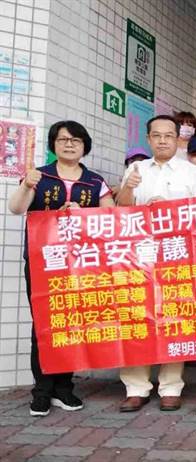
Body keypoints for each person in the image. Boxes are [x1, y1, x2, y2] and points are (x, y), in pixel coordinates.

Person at [8, 120, 114, 416]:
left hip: (81, 263)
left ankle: (64, 388)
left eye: (75, 140)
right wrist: (27, 185)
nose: (69, 144)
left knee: (72, 322)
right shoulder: (39, 176)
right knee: (43, 324)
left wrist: (84, 214)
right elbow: (17, 208)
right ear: (53, 145)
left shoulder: (94, 182)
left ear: (84, 146)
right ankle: (42, 391)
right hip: (43, 261)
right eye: (63, 140)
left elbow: (111, 217)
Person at [116, 115, 196, 412]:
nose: (163, 140)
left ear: (178, 138)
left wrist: (170, 209)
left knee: (174, 317)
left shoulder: (192, 172)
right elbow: (121, 210)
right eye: (157, 135)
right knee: (137, 316)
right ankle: (136, 388)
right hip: (139, 255)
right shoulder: (136, 169)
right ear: (149, 139)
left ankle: (171, 386)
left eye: (168, 135)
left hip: (177, 254)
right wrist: (128, 189)